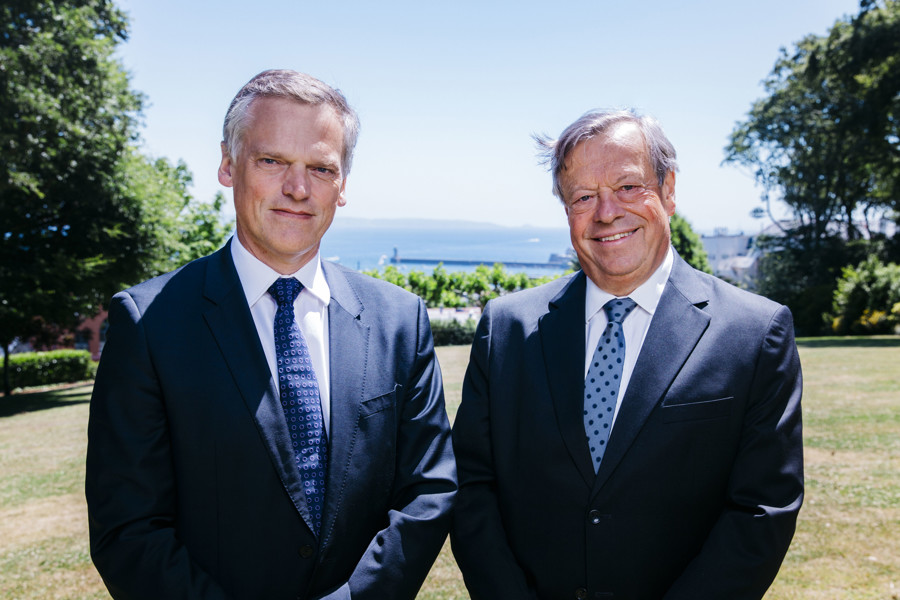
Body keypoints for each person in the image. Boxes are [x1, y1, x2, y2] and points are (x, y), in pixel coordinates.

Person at [86, 69, 456, 600]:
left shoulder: (400, 320)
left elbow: (429, 489)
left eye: (321, 167)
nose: (298, 189)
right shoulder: (149, 324)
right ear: (227, 163)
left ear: (343, 184)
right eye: (272, 160)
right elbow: (128, 527)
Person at [450, 109, 803, 599]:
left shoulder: (754, 333)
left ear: (669, 189)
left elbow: (762, 509)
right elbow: (472, 487)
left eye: (628, 187)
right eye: (583, 197)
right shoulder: (506, 328)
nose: (606, 212)